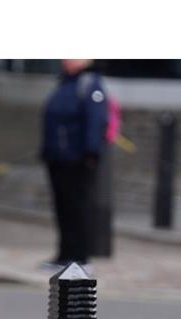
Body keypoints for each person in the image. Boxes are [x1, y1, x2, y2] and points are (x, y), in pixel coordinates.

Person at [40, 59, 108, 266]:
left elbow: (94, 120)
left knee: (78, 209)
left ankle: (79, 257)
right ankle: (64, 254)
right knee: (63, 209)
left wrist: (90, 153)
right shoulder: (64, 83)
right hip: (57, 157)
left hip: (77, 159)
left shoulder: (89, 84)